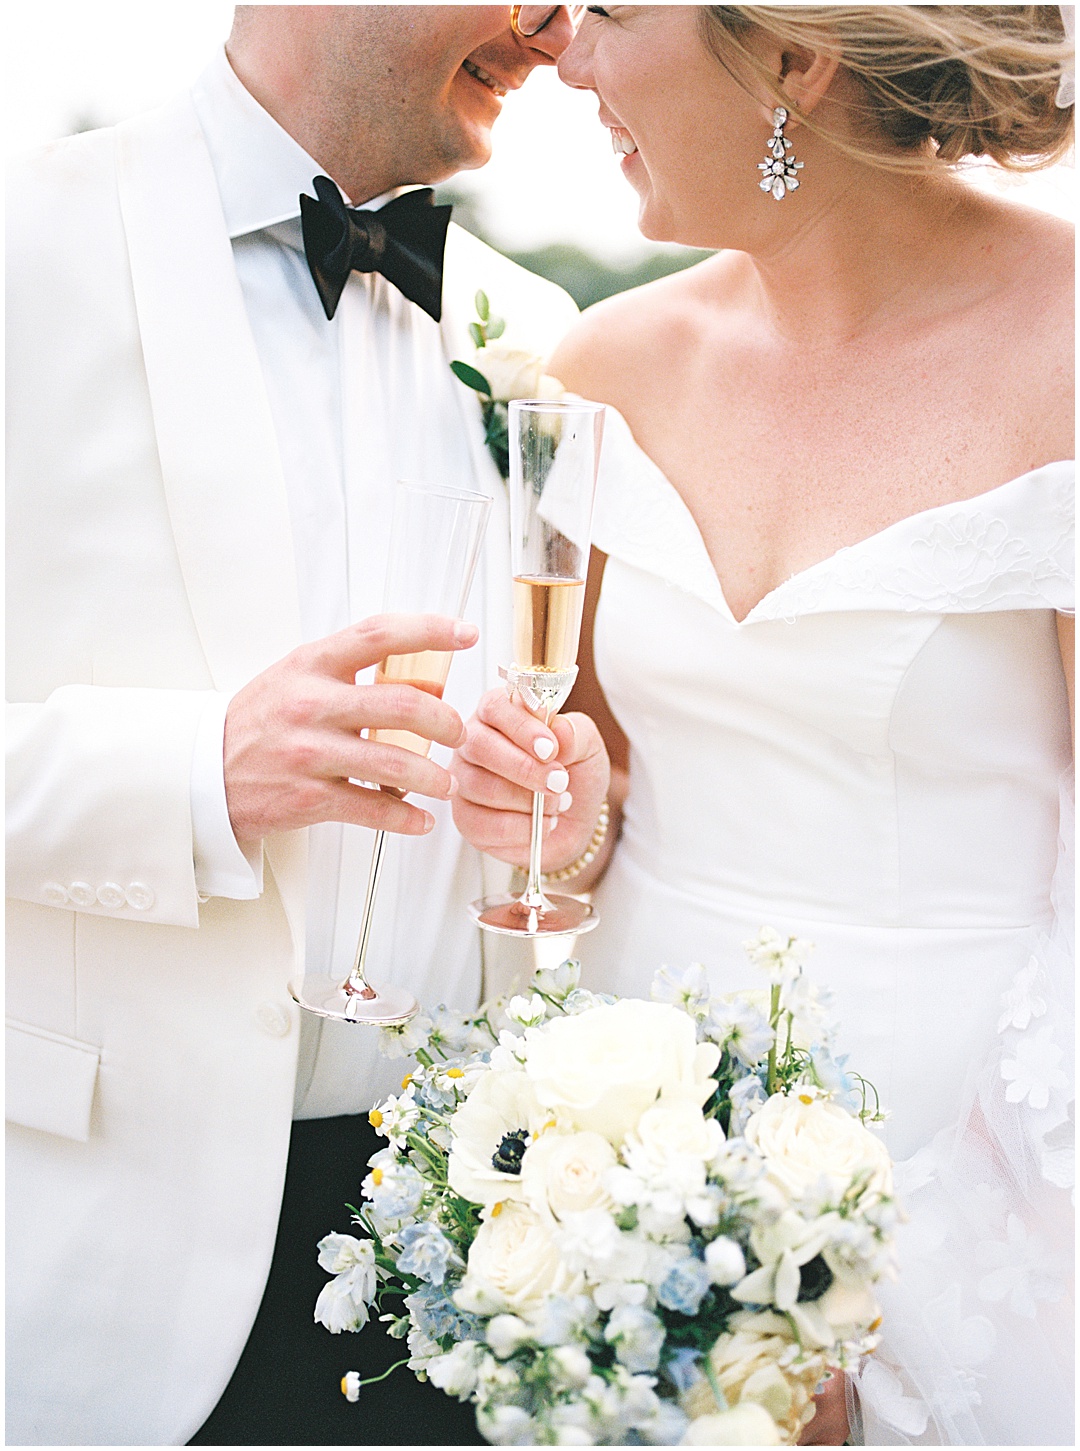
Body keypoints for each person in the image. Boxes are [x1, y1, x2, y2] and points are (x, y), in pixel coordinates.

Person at [451, 5, 1074, 1444]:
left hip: (993, 1236)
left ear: (794, 57)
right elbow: (585, 832)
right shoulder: (607, 369)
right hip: (630, 1233)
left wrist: (886, 1316)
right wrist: (563, 814)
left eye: (611, 11)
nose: (570, 54)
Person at [6, 6, 583, 1444]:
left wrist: (559, 820)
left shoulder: (542, 331)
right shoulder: (25, 244)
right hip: (81, 1246)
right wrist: (198, 774)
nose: (563, 29)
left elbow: (571, 815)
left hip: (453, 1276)